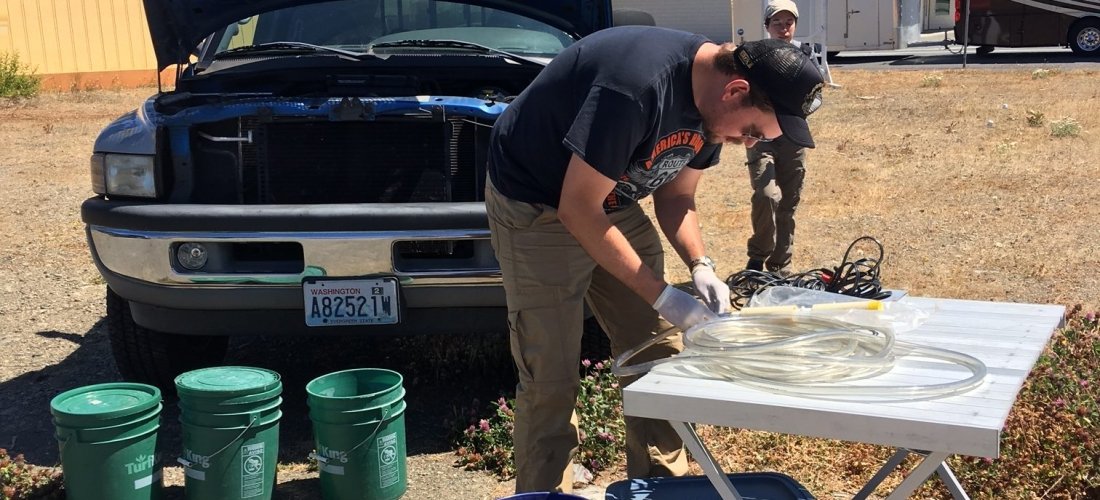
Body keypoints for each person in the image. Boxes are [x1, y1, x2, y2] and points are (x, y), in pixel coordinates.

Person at [485, 25, 824, 493]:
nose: (747, 143)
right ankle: (546, 493)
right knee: (551, 378)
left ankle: (662, 491)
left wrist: (700, 264)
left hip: (608, 200)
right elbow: (576, 209)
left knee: (660, 360)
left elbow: (676, 195)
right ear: (736, 90)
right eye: (750, 132)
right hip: (537, 204)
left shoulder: (713, 109)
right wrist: (663, 296)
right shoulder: (636, 88)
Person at [745, 0, 814, 274]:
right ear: (767, 26)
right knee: (766, 194)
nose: (784, 29)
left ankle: (780, 265)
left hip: (792, 136)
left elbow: (813, 95)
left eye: (789, 23)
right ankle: (757, 255)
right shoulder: (755, 55)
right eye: (777, 23)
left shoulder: (804, 54)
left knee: (788, 201)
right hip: (762, 136)